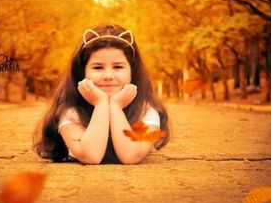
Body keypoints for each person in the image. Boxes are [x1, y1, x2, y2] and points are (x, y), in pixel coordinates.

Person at [33, 24, 170, 164]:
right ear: (83, 72)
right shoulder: (71, 112)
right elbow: (91, 156)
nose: (108, 76)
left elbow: (130, 156)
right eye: (98, 67)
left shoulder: (145, 111)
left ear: (132, 71)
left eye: (118, 67)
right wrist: (101, 103)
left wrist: (115, 106)